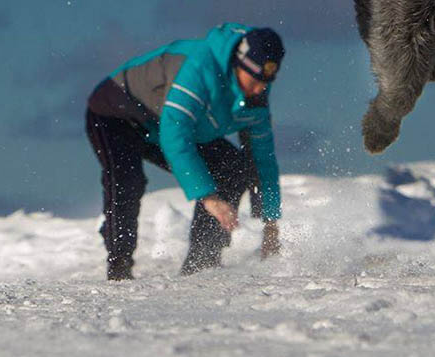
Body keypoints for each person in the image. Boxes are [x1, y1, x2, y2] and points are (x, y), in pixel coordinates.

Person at [85, 22, 285, 280]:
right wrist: (209, 198)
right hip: (116, 113)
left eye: (267, 82)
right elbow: (175, 136)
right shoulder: (199, 68)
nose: (260, 89)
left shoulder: (256, 99)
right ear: (239, 65)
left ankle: (201, 266)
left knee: (232, 169)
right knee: (128, 181)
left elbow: (263, 159)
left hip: (164, 125)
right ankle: (119, 268)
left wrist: (271, 224)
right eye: (255, 80)